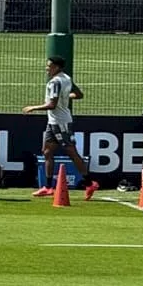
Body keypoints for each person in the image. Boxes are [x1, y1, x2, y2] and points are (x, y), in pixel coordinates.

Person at [22, 56, 99, 200]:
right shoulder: (66, 78)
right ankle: (48, 187)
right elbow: (79, 95)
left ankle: (90, 183)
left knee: (71, 151)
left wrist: (33, 107)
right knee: (47, 152)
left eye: (49, 66)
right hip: (53, 122)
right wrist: (65, 97)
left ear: (57, 67)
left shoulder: (55, 82)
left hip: (61, 122)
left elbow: (52, 105)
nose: (47, 68)